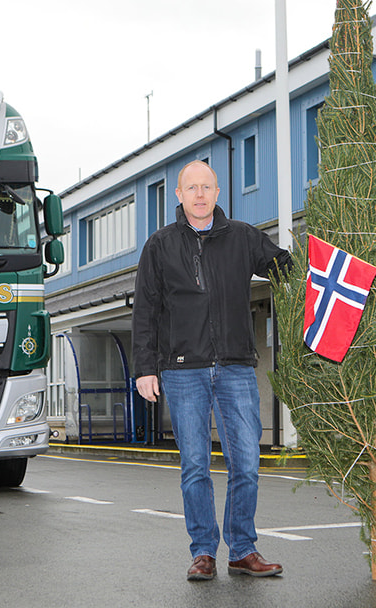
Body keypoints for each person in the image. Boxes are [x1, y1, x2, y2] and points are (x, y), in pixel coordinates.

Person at [132, 160, 292, 582]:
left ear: (218, 192)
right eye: (192, 188)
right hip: (184, 371)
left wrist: (325, 258)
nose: (200, 194)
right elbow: (146, 311)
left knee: (247, 462)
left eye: (207, 187)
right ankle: (203, 551)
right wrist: (145, 368)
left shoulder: (242, 238)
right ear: (179, 196)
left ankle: (242, 549)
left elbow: (284, 267)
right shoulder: (160, 245)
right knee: (195, 466)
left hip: (237, 367)